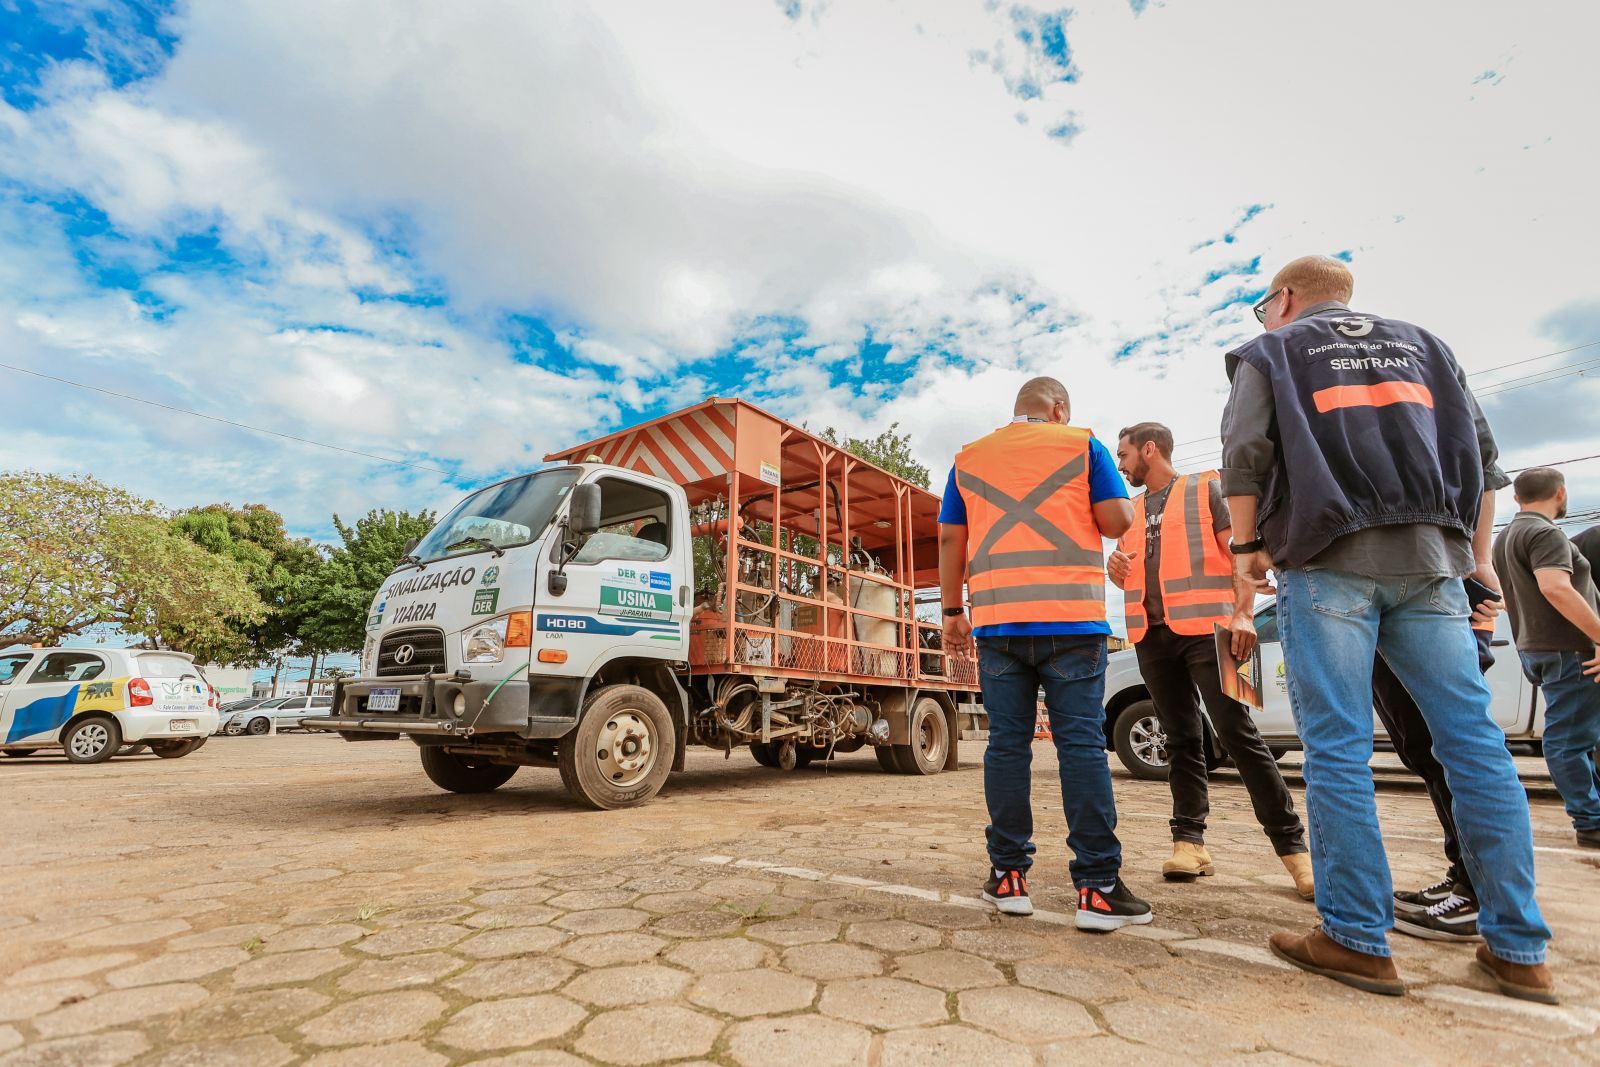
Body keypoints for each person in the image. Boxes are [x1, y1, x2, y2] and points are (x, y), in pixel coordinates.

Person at [1220, 255, 1555, 1003]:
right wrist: (1473, 564)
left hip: (1327, 558)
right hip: (1431, 560)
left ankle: (1355, 939)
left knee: (1337, 746)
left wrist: (1246, 551)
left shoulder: (1271, 351)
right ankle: (1519, 947)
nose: (1263, 318)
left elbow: (1244, 452)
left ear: (1287, 298)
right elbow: (1482, 463)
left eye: (1263, 305)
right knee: (1472, 744)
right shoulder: (1428, 346)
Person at [939, 376, 1153, 932]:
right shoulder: (1082, 444)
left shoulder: (969, 458)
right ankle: (1098, 889)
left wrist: (951, 613)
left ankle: (1008, 878)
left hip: (998, 625)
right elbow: (1117, 521)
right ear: (1058, 407)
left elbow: (949, 541)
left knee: (1007, 748)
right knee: (1080, 745)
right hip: (1071, 622)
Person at [1107, 422, 1314, 898]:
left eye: (1124, 455)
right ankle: (1189, 843)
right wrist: (1115, 571)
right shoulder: (1131, 511)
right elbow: (1133, 574)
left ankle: (1295, 852)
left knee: (1238, 734)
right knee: (1179, 737)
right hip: (1151, 637)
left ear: (1150, 449)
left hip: (1220, 631)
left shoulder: (1208, 488)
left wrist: (1244, 615)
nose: (1120, 465)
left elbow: (1243, 554)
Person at [1375, 579, 1504, 942]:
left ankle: (1479, 895)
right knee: (1422, 753)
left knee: (1450, 756)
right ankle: (1463, 872)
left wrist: (1479, 612)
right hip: (1391, 625)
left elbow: (1476, 558)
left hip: (1436, 617)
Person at [1493, 467, 1600, 850]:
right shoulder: (1545, 532)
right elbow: (1555, 587)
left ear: (1516, 498)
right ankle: (1591, 822)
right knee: (1568, 741)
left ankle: (1593, 813)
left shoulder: (1506, 536)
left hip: (1540, 649)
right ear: (1560, 493)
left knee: (1579, 735)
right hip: (1569, 649)